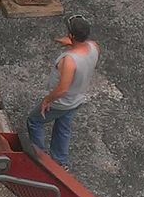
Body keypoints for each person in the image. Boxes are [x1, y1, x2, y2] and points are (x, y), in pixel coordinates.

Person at [26, 13, 99, 165]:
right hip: (77, 99)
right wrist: (72, 43)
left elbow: (62, 89)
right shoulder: (94, 47)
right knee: (63, 127)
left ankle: (40, 159)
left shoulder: (69, 61)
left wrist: (47, 100)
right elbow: (83, 50)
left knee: (34, 121)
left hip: (61, 102)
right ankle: (60, 161)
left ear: (71, 35)